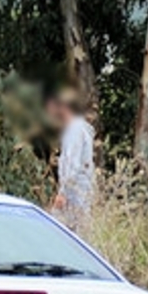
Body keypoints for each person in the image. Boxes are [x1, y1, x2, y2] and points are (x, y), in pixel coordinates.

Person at [47, 88, 95, 232]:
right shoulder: (79, 128)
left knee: (63, 232)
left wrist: (62, 193)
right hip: (79, 191)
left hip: (74, 192)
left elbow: (71, 164)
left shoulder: (74, 130)